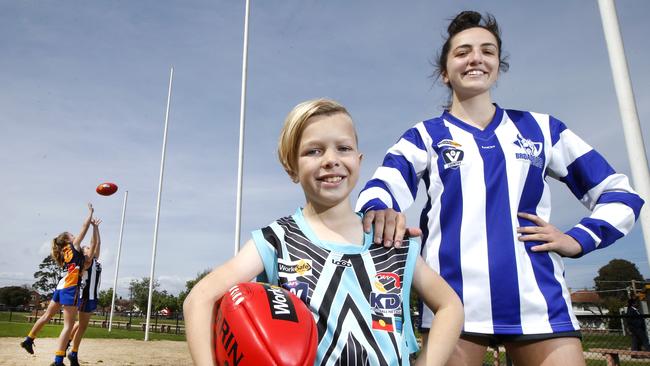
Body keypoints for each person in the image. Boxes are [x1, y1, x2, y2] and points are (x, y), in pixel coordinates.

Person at [355, 11, 644, 366]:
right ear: (445, 72)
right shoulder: (425, 136)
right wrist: (381, 210)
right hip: (453, 306)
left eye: (487, 51)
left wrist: (579, 238)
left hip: (540, 303)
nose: (476, 58)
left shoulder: (542, 129)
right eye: (463, 52)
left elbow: (621, 194)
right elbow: (381, 188)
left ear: (497, 65)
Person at [184, 98, 463, 366]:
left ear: (359, 159)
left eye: (343, 148)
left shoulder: (390, 240)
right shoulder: (276, 240)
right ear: (291, 166)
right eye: (313, 151)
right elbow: (199, 299)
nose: (331, 160)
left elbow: (450, 306)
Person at [20, 203, 96, 366]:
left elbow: (90, 250)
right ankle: (58, 360)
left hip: (61, 287)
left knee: (47, 316)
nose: (75, 235)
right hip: (70, 288)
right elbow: (84, 226)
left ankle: (29, 339)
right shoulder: (74, 246)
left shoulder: (65, 251)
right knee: (68, 326)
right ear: (68, 239)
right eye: (72, 234)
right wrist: (90, 213)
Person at [66, 217, 102, 366]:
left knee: (81, 325)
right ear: (84, 252)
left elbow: (97, 243)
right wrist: (92, 227)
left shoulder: (95, 260)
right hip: (85, 296)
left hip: (92, 296)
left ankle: (68, 342)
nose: (90, 248)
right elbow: (94, 244)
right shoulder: (85, 263)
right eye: (86, 248)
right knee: (82, 326)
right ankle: (73, 353)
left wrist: (96, 228)